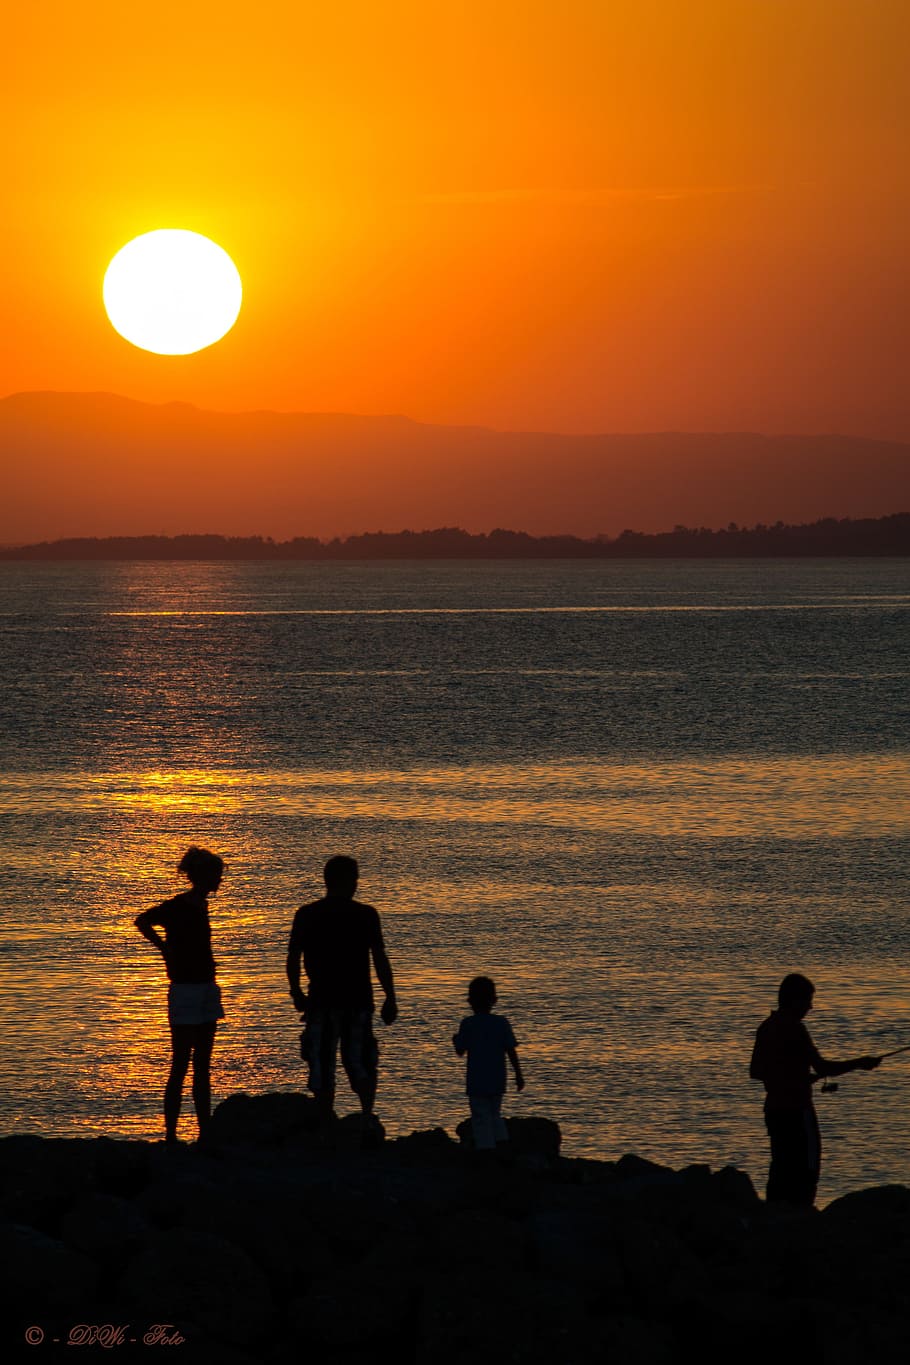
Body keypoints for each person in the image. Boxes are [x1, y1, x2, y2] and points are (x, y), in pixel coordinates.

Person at [286, 856, 398, 1136]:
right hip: (357, 1001)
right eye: (355, 879)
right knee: (359, 1061)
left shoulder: (307, 914)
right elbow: (380, 959)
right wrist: (390, 996)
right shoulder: (366, 915)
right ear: (349, 881)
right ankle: (366, 1116)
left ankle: (326, 1121)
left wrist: (297, 992)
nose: (357, 884)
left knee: (322, 1063)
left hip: (321, 1000)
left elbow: (293, 958)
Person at [749, 973, 881, 1206]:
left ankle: (774, 1215)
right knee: (807, 1169)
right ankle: (803, 1218)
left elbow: (757, 1071)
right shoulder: (796, 1029)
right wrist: (859, 1063)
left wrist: (796, 1078)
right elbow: (822, 1066)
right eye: (807, 1001)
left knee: (780, 1166)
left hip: (774, 1110)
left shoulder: (767, 1027)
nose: (810, 1007)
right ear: (793, 1000)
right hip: (798, 1111)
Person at [133, 847, 225, 1144]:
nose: (220, 879)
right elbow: (143, 921)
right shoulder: (179, 906)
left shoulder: (199, 905)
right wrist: (164, 949)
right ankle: (173, 1135)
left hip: (204, 988)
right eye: (216, 874)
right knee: (183, 1064)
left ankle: (203, 1133)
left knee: (200, 1066)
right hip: (186, 990)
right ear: (203, 876)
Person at [453, 975, 524, 1151]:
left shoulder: (468, 1024)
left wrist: (455, 1040)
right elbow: (510, 1050)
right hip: (497, 1077)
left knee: (480, 1116)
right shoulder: (501, 1023)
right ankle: (501, 1144)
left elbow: (460, 1051)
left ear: (470, 1001)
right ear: (494, 1000)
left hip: (477, 1079)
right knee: (495, 1114)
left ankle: (486, 1150)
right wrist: (518, 1074)